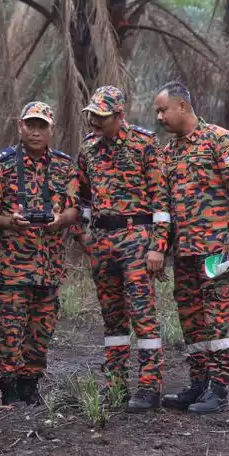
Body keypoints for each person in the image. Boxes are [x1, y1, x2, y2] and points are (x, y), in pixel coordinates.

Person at [155, 80, 229, 414]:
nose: (160, 116)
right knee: (191, 317)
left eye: (163, 109)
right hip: (184, 252)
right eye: (157, 111)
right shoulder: (168, 153)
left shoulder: (218, 140)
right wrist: (160, 247)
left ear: (182, 106)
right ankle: (198, 384)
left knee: (218, 316)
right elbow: (164, 206)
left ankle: (219, 388)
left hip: (215, 249)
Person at [74, 86, 171, 413]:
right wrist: (81, 235)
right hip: (102, 241)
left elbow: (160, 200)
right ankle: (115, 382)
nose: (93, 121)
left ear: (119, 116)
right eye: (91, 115)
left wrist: (158, 247)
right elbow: (81, 196)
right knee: (112, 317)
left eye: (101, 116)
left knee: (142, 315)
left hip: (136, 239)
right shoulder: (88, 147)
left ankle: (150, 385)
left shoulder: (144, 144)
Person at [0, 102, 81, 406]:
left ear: (52, 130)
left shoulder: (65, 166)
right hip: (13, 265)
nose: (36, 131)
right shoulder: (1, 164)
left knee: (41, 329)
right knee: (9, 328)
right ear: (20, 127)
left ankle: (30, 384)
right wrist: (9, 222)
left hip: (48, 265)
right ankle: (8, 386)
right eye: (30, 125)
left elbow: (75, 207)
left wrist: (61, 220)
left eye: (42, 126)